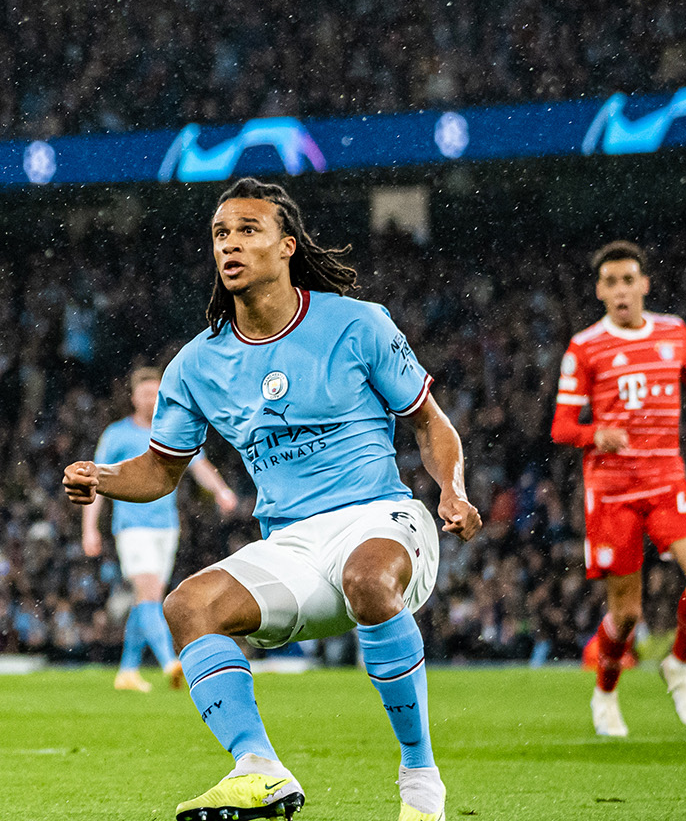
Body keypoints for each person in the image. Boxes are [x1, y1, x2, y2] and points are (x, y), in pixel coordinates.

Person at [64, 178, 481, 821]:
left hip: (382, 518)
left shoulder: (357, 324)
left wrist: (452, 491)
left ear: (287, 246)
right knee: (188, 606)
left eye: (248, 230)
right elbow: (159, 470)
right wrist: (103, 477)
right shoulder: (195, 365)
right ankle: (258, 768)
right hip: (290, 542)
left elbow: (430, 422)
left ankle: (421, 781)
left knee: (369, 578)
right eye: (220, 234)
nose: (231, 244)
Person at [550, 240, 686, 736]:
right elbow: (560, 427)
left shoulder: (675, 333)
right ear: (599, 290)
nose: (621, 290)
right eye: (611, 282)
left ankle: (678, 665)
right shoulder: (585, 346)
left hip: (666, 480)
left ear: (645, 285)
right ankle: (607, 690)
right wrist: (596, 433)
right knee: (628, 614)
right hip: (612, 492)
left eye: (628, 280)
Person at [82, 365, 239, 692]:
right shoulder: (117, 435)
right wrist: (90, 528)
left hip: (166, 526)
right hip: (132, 526)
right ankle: (171, 662)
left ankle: (127, 671)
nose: (152, 399)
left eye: (156, 393)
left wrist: (222, 491)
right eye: (145, 393)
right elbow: (94, 480)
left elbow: (199, 465)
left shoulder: (172, 431)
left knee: (146, 600)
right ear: (133, 398)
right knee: (150, 592)